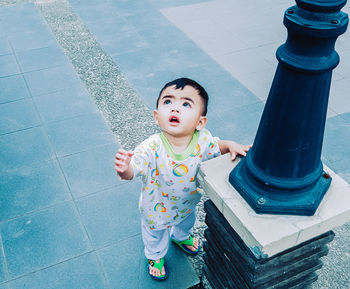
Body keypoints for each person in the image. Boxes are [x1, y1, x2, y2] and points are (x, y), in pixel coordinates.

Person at [114, 78, 250, 280]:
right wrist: (125, 170)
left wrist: (229, 145)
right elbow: (135, 169)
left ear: (200, 122)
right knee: (155, 234)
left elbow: (216, 146)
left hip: (187, 202)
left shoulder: (202, 140)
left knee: (186, 222)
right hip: (156, 206)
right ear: (156, 116)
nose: (175, 109)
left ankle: (181, 237)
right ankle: (155, 256)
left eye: (186, 104)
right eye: (168, 102)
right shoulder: (151, 147)